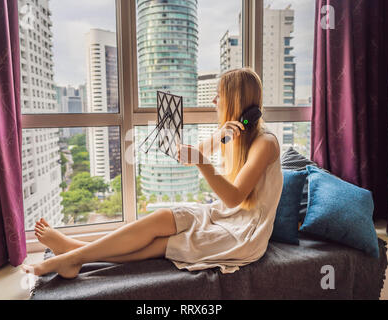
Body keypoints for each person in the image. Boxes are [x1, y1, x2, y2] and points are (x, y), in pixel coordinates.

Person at [22, 67, 283, 278]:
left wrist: (203, 161)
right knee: (161, 218)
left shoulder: (265, 143)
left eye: (219, 95)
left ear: (235, 99)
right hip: (224, 215)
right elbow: (191, 157)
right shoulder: (233, 131)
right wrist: (178, 141)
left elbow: (234, 197)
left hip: (243, 233)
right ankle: (73, 253)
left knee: (163, 244)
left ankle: (72, 255)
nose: (214, 101)